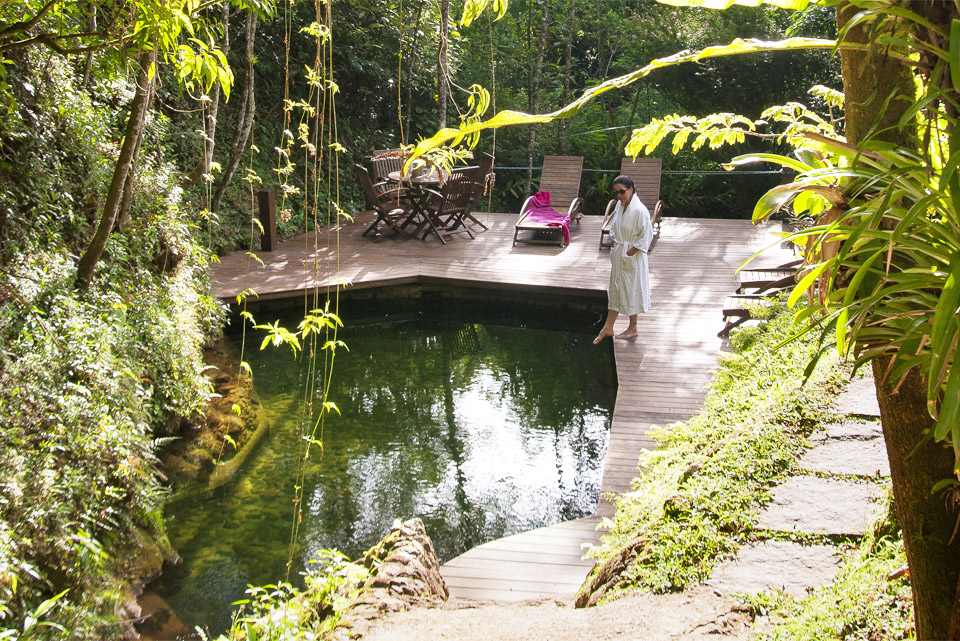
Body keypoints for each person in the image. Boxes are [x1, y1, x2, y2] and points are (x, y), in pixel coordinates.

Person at [593, 175, 653, 344]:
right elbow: (615, 226)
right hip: (620, 253)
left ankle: (629, 328)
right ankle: (610, 327)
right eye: (616, 193)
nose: (619, 196)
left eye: (622, 192)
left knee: (631, 289)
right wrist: (614, 242)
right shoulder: (620, 205)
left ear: (631, 190)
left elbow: (646, 235)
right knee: (617, 289)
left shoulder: (640, 211)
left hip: (631, 256)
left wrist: (630, 251)